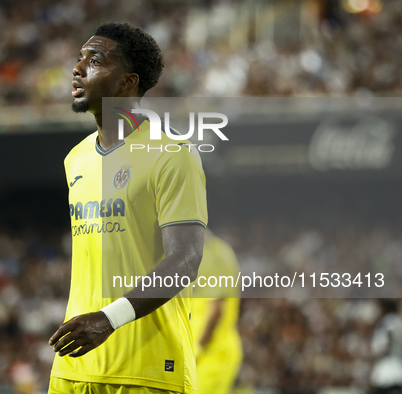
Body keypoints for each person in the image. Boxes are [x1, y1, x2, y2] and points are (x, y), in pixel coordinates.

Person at [48, 23, 208, 393]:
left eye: (95, 60)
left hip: (147, 372)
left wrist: (108, 319)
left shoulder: (172, 156)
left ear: (126, 82)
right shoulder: (76, 159)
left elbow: (185, 260)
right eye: (79, 59)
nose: (77, 68)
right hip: (74, 369)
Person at [191, 229, 242, 394]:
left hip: (212, 352)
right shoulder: (199, 254)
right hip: (198, 351)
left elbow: (216, 310)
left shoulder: (214, 255)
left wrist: (198, 349)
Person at [371, 299, 402, 394]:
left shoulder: (386, 323)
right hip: (399, 369)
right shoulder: (398, 321)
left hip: (386, 372)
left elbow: (378, 348)